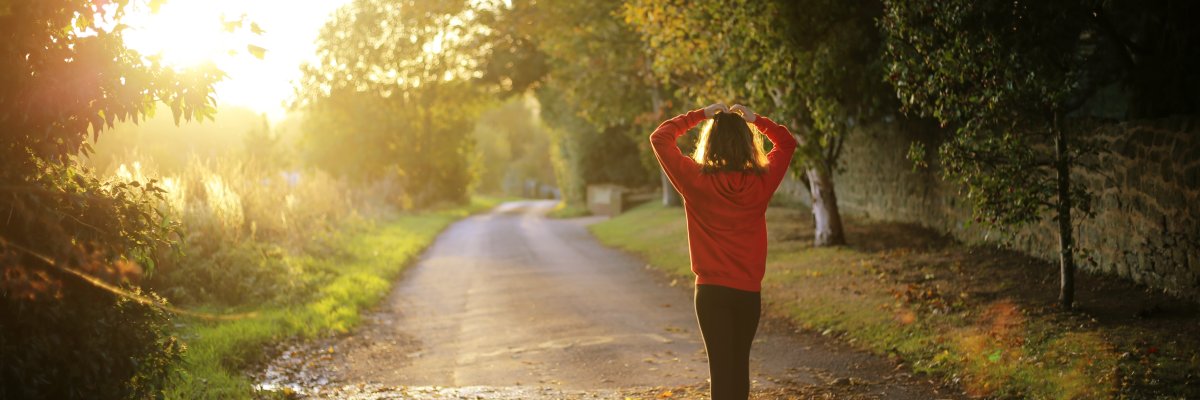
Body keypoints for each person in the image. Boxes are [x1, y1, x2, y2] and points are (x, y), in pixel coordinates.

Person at [649, 103, 797, 400]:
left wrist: (700, 114)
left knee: (721, 372)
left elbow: (660, 137)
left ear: (710, 142)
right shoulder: (761, 181)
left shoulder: (696, 180)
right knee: (739, 370)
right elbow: (787, 142)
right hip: (747, 293)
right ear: (747, 142)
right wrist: (756, 119)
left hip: (711, 293)